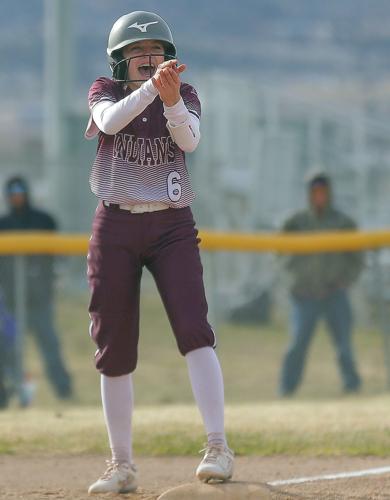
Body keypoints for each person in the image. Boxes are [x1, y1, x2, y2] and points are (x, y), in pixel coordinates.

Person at [84, 11, 234, 494]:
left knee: (195, 328)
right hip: (116, 221)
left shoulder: (183, 95)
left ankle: (217, 445)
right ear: (119, 62)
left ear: (169, 57)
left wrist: (170, 101)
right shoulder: (104, 91)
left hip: (171, 221)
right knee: (113, 345)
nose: (149, 60)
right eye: (137, 54)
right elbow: (109, 121)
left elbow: (188, 138)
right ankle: (121, 463)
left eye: (156, 52)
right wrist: (152, 91)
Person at [279, 171, 363, 397]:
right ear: (309, 194)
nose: (319, 196)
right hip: (304, 295)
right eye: (315, 191)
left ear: (329, 193)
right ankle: (286, 390)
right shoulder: (296, 222)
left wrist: (346, 280)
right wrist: (294, 276)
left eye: (323, 192)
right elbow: (279, 251)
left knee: (344, 346)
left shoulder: (343, 222)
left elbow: (357, 258)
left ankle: (352, 386)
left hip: (334, 293)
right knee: (297, 345)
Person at [0, 176, 73, 402]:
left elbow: (56, 258)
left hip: (40, 301)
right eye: (13, 194)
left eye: (20, 193)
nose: (17, 198)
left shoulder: (43, 221)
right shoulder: (4, 225)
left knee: (50, 346)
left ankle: (64, 391)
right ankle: (12, 391)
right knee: (10, 350)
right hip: (12, 302)